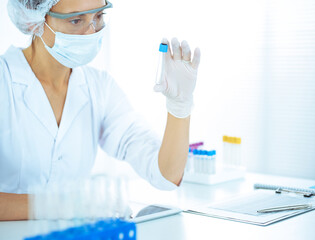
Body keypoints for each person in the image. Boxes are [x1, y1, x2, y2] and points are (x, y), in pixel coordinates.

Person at [0, 0, 201, 221]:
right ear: (36, 20)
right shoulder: (4, 81)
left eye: (98, 17)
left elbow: (166, 175)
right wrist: (58, 206)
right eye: (76, 20)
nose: (91, 32)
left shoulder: (98, 88)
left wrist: (179, 107)